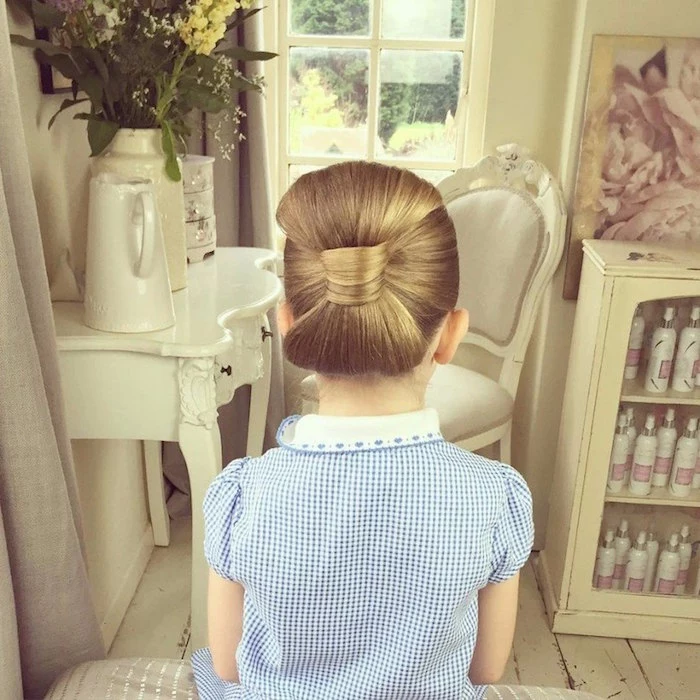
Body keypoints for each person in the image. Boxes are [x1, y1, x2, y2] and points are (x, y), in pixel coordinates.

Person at [191, 161, 534, 700]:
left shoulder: (244, 495)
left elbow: (231, 665)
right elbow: (486, 671)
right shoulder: (494, 496)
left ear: (287, 326)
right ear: (449, 337)